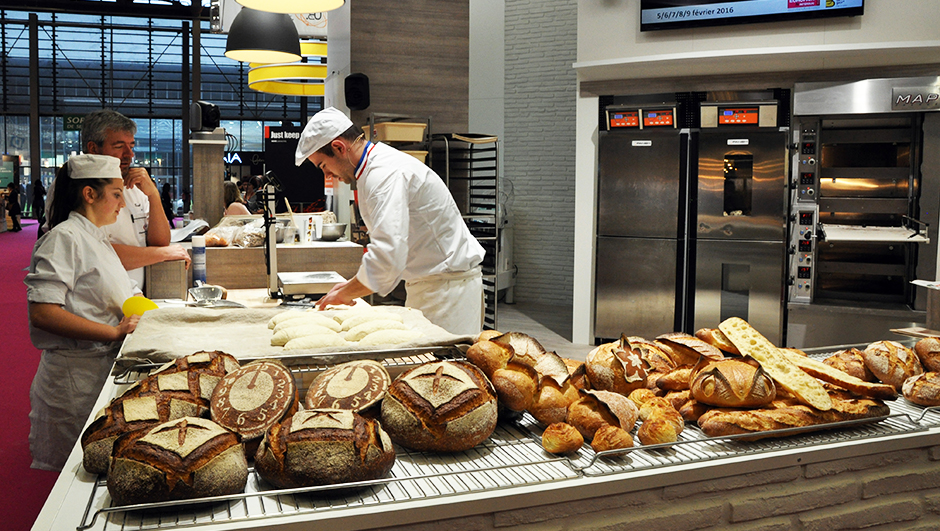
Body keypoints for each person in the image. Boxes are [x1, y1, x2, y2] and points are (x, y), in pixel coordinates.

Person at [295, 107, 485, 336]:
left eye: (323, 166)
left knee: (442, 368)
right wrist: (348, 286)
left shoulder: (383, 174)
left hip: (447, 292)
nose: (327, 175)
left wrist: (345, 293)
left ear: (338, 147)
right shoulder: (375, 167)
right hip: (434, 285)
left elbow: (387, 258)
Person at [25, 154, 142, 471]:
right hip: (74, 381)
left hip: (98, 371)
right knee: (74, 477)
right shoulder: (63, 238)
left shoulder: (97, 237)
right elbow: (44, 313)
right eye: (117, 194)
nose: (122, 204)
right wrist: (114, 332)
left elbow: (119, 290)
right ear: (89, 194)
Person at [44, 110, 190, 288]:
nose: (130, 154)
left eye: (132, 145)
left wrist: (153, 196)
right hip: (93, 295)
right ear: (93, 148)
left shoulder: (137, 184)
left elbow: (160, 241)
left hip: (130, 292)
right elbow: (95, 252)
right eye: (119, 146)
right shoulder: (71, 185)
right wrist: (161, 254)